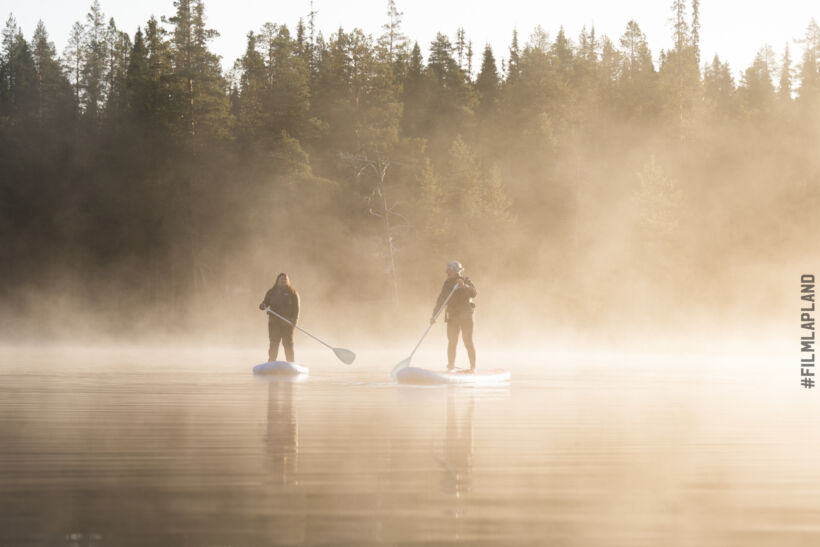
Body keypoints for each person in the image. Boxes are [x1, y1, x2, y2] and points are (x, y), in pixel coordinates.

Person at [430, 261, 477, 371]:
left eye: (450, 271)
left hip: (466, 315)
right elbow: (441, 301)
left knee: (468, 341)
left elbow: (474, 293)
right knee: (452, 341)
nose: (447, 273)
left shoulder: (466, 280)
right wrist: (434, 315)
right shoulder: (447, 284)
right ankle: (450, 366)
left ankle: (473, 367)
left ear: (456, 271)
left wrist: (463, 286)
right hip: (453, 317)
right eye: (447, 271)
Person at [259, 273, 300, 362]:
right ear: (277, 280)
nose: (283, 280)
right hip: (274, 322)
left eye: (285, 279)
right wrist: (262, 305)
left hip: (287, 323)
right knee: (274, 343)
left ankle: (290, 362)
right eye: (281, 279)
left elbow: (296, 309)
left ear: (288, 281)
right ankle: (271, 361)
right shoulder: (271, 292)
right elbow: (265, 303)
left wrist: (294, 321)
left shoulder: (293, 293)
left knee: (288, 344)